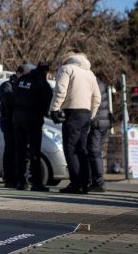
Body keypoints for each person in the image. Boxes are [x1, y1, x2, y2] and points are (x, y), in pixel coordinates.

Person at [49, 52, 101, 194]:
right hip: (86, 114)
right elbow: (97, 97)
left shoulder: (67, 69)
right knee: (82, 149)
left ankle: (76, 184)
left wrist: (54, 109)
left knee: (70, 149)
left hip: (72, 112)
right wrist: (91, 115)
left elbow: (60, 90)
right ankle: (85, 183)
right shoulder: (90, 74)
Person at [12, 64, 53, 191]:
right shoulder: (41, 83)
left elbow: (14, 97)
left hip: (18, 119)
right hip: (33, 120)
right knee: (34, 151)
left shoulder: (21, 80)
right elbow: (48, 103)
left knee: (20, 151)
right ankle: (36, 183)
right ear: (46, 72)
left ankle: (20, 182)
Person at [0, 65, 26, 188]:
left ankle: (17, 177)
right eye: (23, 75)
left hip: (18, 121)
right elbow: (8, 100)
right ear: (17, 73)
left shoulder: (22, 85)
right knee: (10, 149)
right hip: (8, 122)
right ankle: (9, 178)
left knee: (18, 150)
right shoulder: (7, 85)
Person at [87, 80, 112, 192]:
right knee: (96, 152)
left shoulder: (92, 83)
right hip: (104, 122)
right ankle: (95, 181)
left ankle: (98, 182)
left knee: (94, 152)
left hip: (96, 123)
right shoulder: (101, 83)